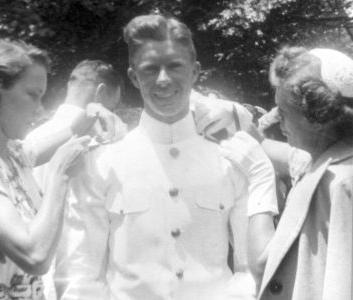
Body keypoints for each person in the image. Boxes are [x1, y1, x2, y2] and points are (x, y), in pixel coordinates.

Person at [60, 14, 278, 300]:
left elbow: (247, 270)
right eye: (150, 69)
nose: (163, 80)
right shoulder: (102, 160)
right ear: (133, 78)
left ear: (195, 71)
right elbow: (81, 275)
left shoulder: (233, 157)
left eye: (175, 66)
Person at [0, 38, 93, 300]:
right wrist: (59, 175)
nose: (40, 110)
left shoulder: (12, 155)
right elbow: (34, 255)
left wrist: (95, 115)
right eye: (33, 95)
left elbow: (71, 133)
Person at [256, 47, 353, 299]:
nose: (278, 121)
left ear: (317, 117)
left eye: (284, 113)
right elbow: (273, 150)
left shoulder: (339, 182)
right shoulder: (328, 162)